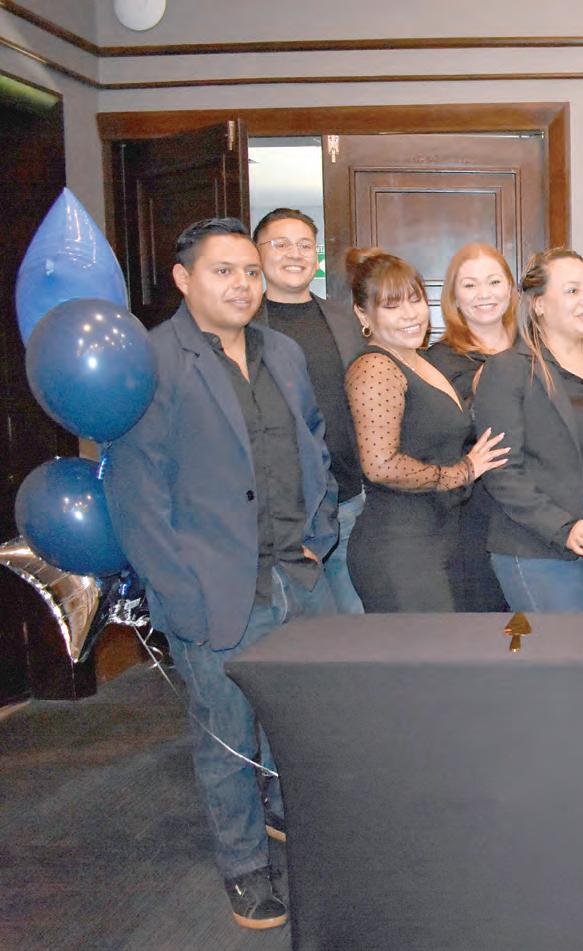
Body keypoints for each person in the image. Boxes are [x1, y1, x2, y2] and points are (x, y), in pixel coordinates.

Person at [104, 218, 339, 929]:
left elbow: (313, 443)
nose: (242, 285)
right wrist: (180, 595)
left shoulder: (282, 352)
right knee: (228, 739)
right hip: (215, 590)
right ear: (184, 279)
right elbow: (137, 495)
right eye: (223, 271)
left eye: (250, 272)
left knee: (307, 723)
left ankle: (288, 818)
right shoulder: (152, 361)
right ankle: (244, 868)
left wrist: (319, 533)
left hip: (297, 574)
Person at [343, 247, 508, 612]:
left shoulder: (420, 360)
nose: (410, 314)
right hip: (400, 548)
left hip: (442, 540)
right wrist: (463, 471)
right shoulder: (375, 367)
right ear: (363, 314)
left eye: (415, 300)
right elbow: (380, 465)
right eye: (392, 306)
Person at [474, 248, 583, 611]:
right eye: (573, 290)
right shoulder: (508, 370)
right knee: (562, 647)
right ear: (539, 304)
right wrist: (563, 527)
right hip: (538, 546)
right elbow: (502, 471)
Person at [252, 208, 367, 615]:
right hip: (286, 512)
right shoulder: (242, 324)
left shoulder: (344, 319)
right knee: (303, 632)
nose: (294, 254)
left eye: (305, 245)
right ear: (257, 253)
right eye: (280, 244)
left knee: (357, 625)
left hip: (350, 499)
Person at [425, 242, 517, 612]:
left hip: (538, 511)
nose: (484, 294)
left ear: (510, 289)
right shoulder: (437, 362)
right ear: (454, 297)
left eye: (494, 282)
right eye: (470, 285)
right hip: (475, 513)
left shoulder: (538, 349)